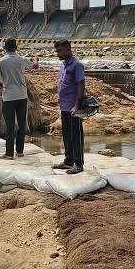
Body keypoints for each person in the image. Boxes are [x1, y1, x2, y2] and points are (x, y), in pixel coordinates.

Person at [0, 38, 34, 158]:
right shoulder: (22, 59)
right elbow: (33, 66)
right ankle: (20, 152)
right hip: (22, 95)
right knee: (21, 125)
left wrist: (3, 86)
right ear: (16, 48)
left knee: (10, 126)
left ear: (5, 48)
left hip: (9, 96)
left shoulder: (0, 61)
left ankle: (9, 153)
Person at [53, 40, 86, 174]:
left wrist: (77, 106)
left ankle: (78, 164)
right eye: (56, 51)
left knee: (76, 136)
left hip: (74, 108)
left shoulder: (77, 65)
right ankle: (68, 161)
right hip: (64, 106)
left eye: (60, 51)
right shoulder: (63, 65)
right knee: (67, 135)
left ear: (68, 49)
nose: (57, 54)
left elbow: (81, 85)